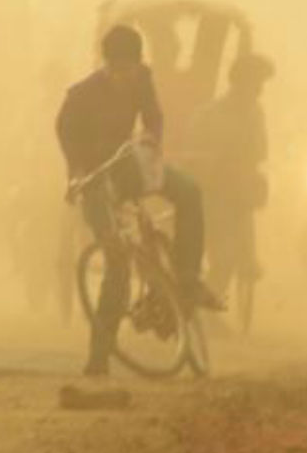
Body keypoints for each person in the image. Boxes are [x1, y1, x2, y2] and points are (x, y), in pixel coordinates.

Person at [56, 25, 219, 378]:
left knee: (190, 192)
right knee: (116, 260)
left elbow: (154, 116)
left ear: (138, 64)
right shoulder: (80, 97)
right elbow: (67, 140)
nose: (124, 78)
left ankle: (188, 279)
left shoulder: (143, 79)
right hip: (95, 175)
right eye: (118, 71)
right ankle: (99, 355)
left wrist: (152, 139)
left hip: (129, 162)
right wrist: (75, 174)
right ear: (106, 65)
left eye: (130, 70)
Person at [187, 54, 275, 304]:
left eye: (260, 84)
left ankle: (211, 301)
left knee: (241, 257)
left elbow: (261, 150)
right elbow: (196, 153)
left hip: (242, 192)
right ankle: (204, 307)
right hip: (213, 193)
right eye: (255, 83)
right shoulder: (210, 114)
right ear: (239, 82)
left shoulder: (256, 112)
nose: (259, 90)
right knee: (223, 257)